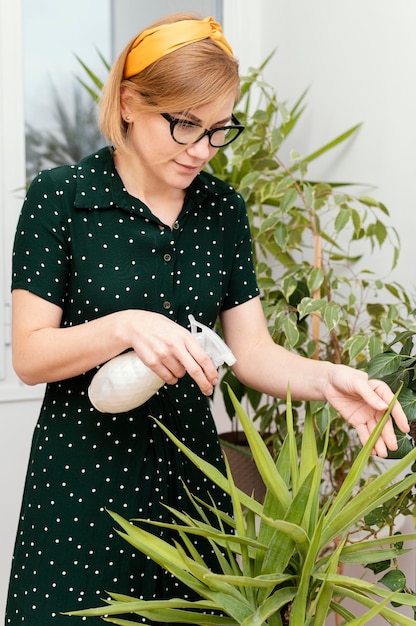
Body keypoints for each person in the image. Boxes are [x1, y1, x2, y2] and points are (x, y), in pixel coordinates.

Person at [5, 12, 409, 626]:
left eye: (219, 130)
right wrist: (125, 325)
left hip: (190, 488)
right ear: (130, 102)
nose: (201, 151)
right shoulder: (61, 197)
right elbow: (29, 356)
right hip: (80, 486)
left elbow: (251, 352)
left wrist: (331, 381)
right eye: (185, 125)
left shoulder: (222, 209)